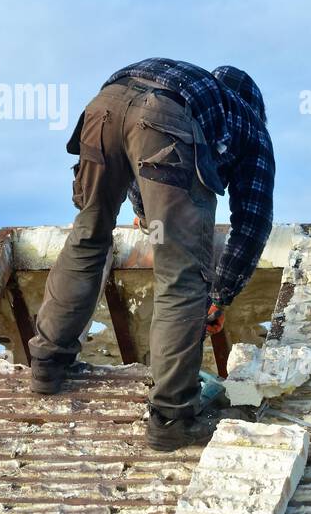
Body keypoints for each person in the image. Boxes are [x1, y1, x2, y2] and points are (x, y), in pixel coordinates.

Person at [28, 58, 274, 452]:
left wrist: (148, 217)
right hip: (161, 118)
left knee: (89, 234)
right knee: (182, 277)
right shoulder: (249, 124)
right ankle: (173, 419)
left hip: (106, 104)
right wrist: (220, 294)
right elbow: (254, 222)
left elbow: (140, 157)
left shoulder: (200, 94)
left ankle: (47, 366)